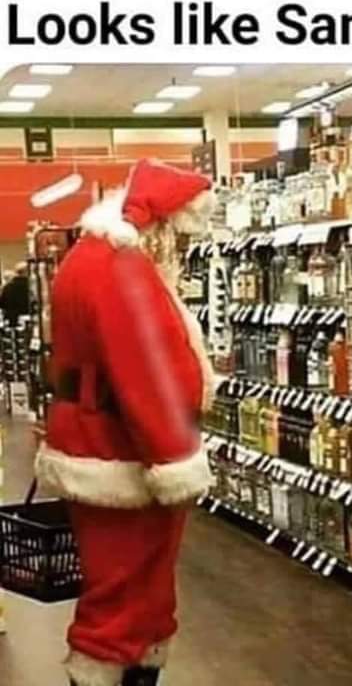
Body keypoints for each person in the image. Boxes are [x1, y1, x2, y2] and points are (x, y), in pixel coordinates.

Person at [35, 159, 216, 686]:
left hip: (100, 445)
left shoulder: (89, 258)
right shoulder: (122, 268)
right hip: (124, 456)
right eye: (179, 238)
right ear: (161, 225)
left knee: (139, 599)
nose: (180, 252)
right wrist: (176, 460)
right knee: (120, 606)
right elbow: (149, 377)